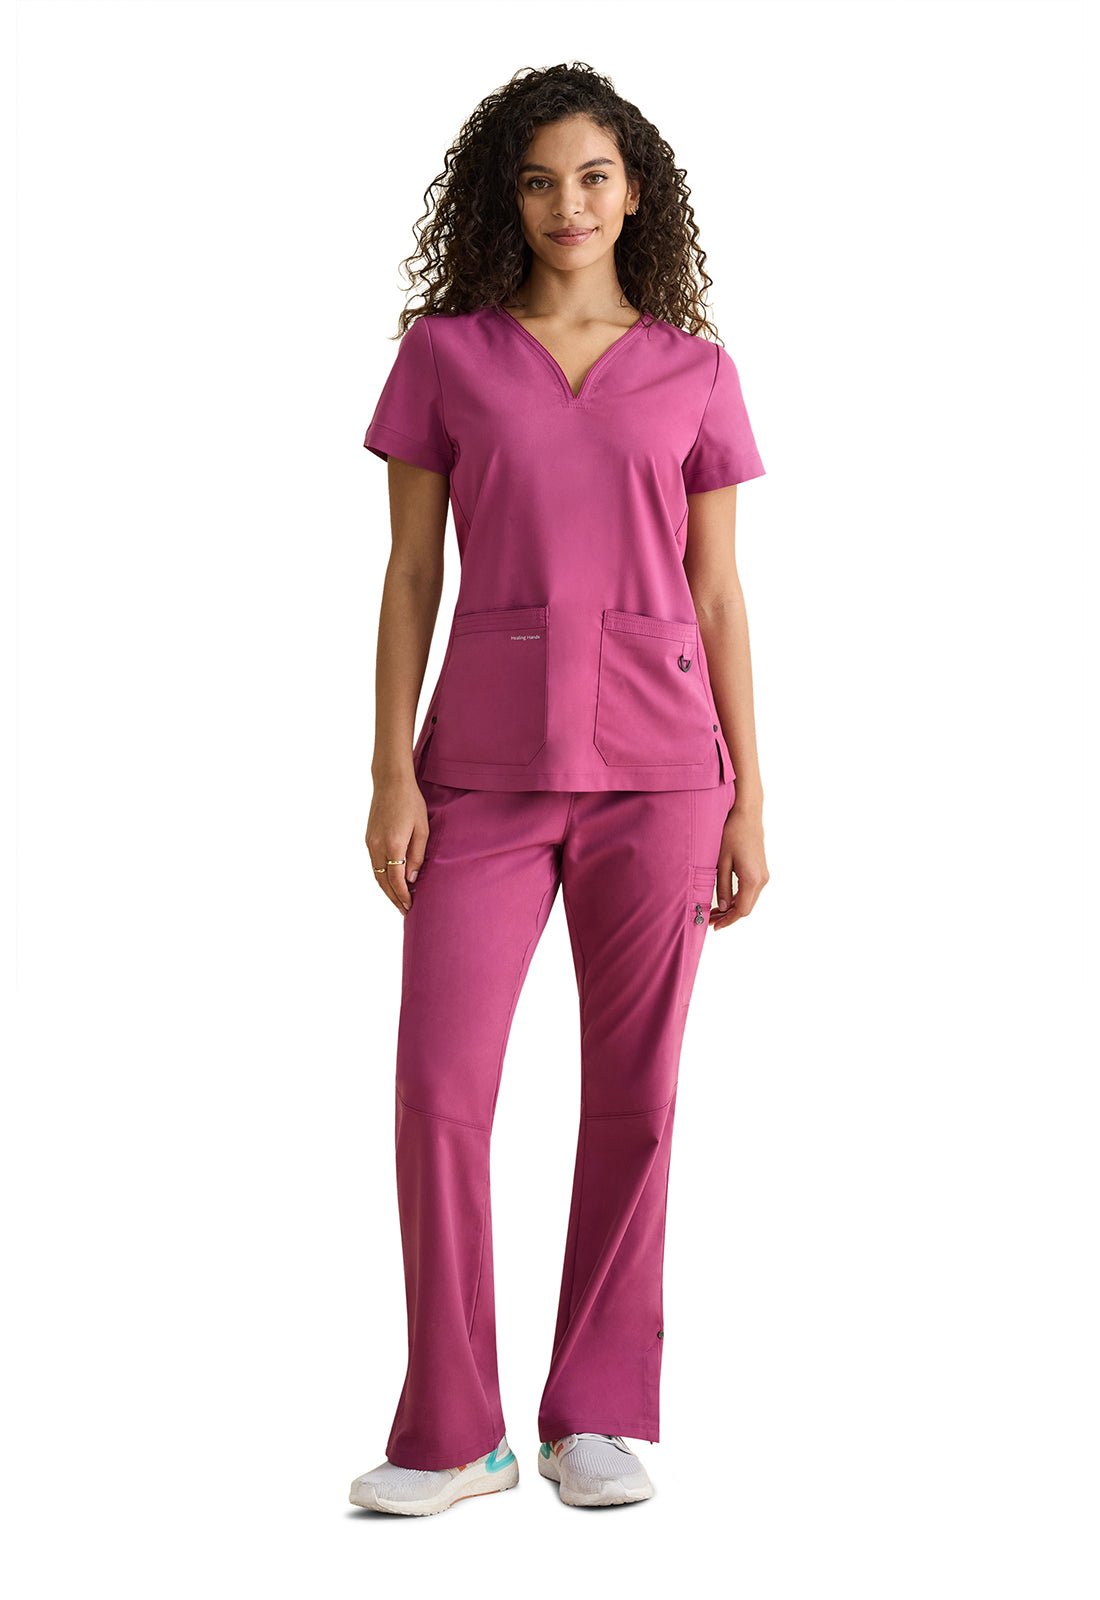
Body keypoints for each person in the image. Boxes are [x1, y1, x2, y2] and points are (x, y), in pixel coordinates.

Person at [349, 62, 771, 1518]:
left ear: (634, 190)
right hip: (479, 772)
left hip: (663, 774)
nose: (568, 204)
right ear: (507, 201)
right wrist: (389, 769)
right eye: (538, 181)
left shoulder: (694, 372)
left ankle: (594, 1414)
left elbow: (720, 595)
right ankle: (455, 1432)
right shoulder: (447, 358)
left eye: (593, 176)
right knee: (439, 1088)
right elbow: (412, 573)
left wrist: (750, 796)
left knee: (636, 1097)